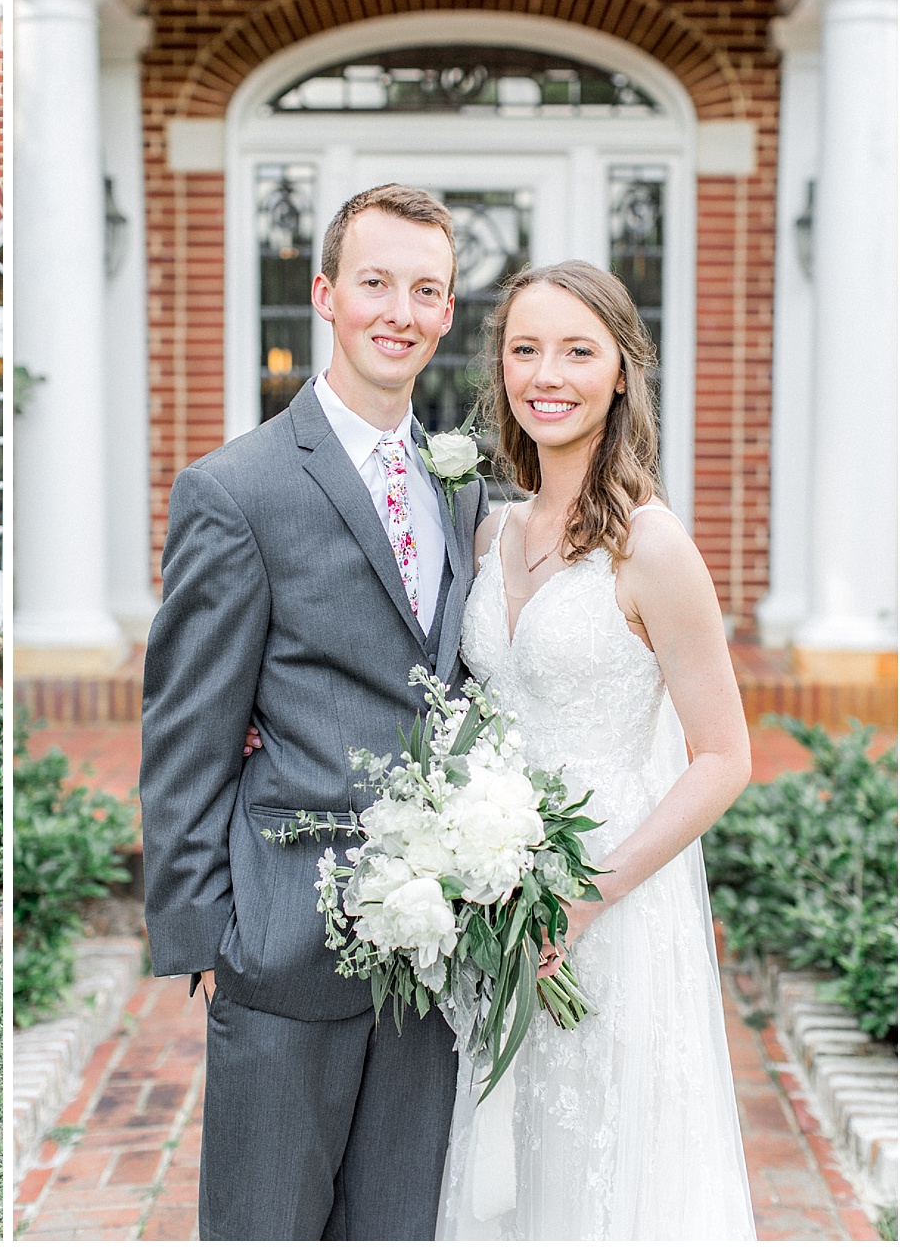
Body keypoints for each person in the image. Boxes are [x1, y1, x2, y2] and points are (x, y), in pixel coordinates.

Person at [141, 184, 486, 1240]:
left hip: (433, 955)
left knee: (399, 1226)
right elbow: (188, 727)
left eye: (426, 289)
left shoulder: (462, 485)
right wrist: (207, 932)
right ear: (325, 293)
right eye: (377, 282)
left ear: (448, 311)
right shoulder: (234, 489)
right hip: (286, 935)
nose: (402, 310)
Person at [436, 261, 754, 1238]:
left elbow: (725, 756)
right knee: (511, 1162)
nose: (549, 373)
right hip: (502, 899)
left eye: (578, 350)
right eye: (526, 349)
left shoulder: (652, 545)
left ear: (622, 372)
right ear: (501, 370)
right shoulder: (490, 531)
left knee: (604, 1173)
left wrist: (590, 892)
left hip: (610, 896)